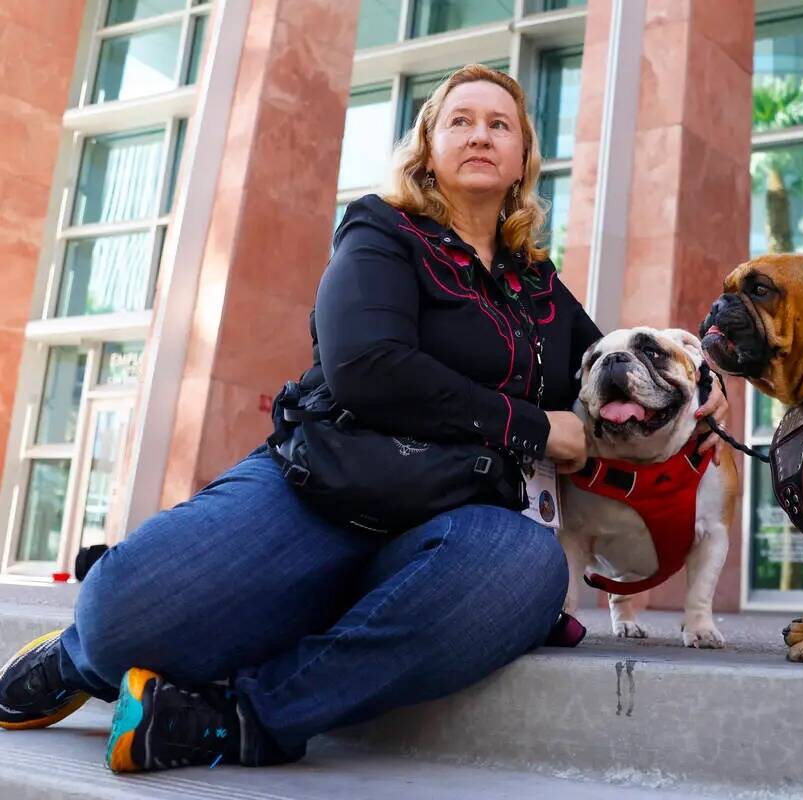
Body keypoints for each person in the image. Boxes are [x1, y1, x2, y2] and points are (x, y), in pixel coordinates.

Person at [0, 64, 728, 773]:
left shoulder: (538, 284)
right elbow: (367, 366)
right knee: (117, 622)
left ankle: (239, 718)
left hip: (459, 522)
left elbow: (617, 369)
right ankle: (74, 658)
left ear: (523, 161)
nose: (481, 134)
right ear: (428, 147)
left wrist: (707, 383)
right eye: (461, 121)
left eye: (500, 125)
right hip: (321, 486)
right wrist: (531, 428)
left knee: (527, 571)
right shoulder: (381, 233)